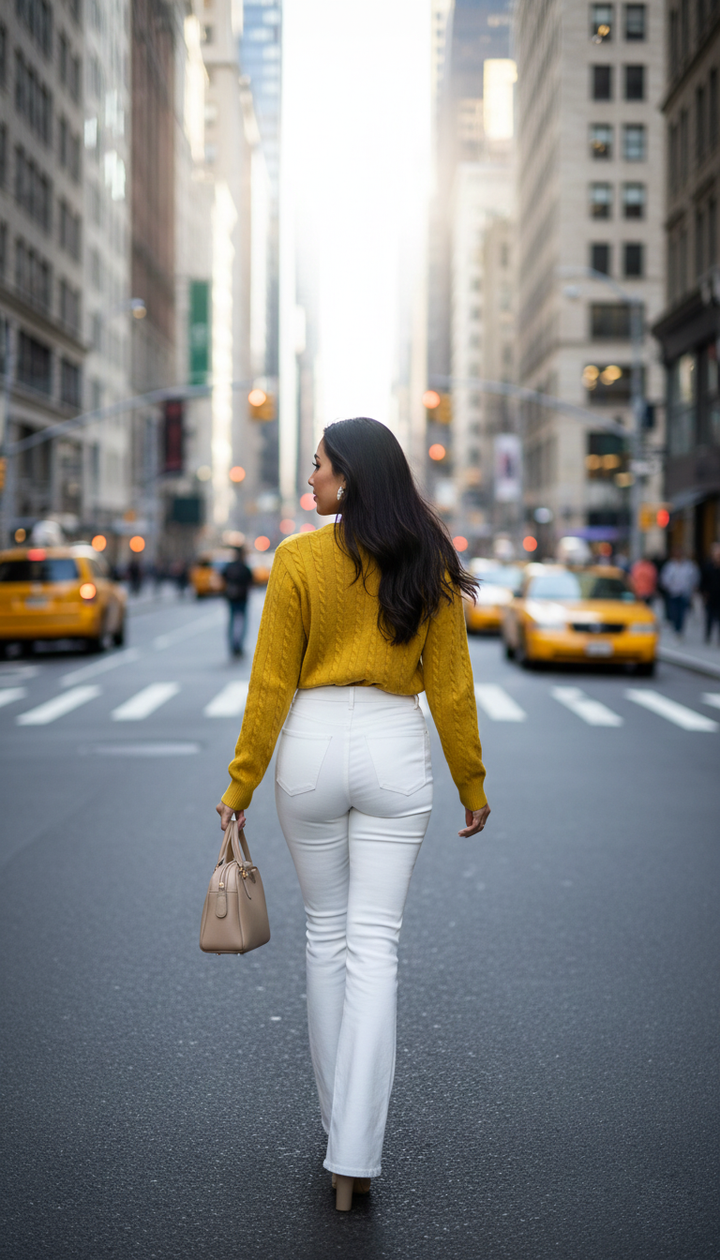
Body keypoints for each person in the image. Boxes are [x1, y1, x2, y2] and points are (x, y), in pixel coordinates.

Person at [215, 418, 490, 1212]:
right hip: (394, 750)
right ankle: (355, 1155)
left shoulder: (298, 560)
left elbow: (270, 684)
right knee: (375, 949)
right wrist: (472, 784)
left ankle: (340, 1135)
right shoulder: (428, 562)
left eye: (320, 469)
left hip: (309, 746)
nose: (311, 483)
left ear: (353, 478)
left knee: (325, 938)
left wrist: (239, 787)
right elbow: (452, 688)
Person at [660, 548, 700, 636]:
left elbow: (694, 577)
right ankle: (675, 627)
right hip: (673, 592)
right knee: (674, 612)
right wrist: (668, 587)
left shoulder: (689, 565)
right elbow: (665, 578)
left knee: (682, 613)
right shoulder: (670, 566)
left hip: (684, 593)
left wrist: (692, 588)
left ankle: (679, 630)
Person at [222, 546, 253, 657]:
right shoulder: (244, 567)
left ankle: (232, 645)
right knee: (242, 622)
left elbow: (223, 576)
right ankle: (239, 645)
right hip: (242, 598)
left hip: (232, 597)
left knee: (232, 622)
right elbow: (251, 580)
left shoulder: (230, 567)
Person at [700, 541, 720, 644]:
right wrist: (704, 593)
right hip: (710, 597)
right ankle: (708, 636)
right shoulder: (708, 566)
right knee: (709, 618)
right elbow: (703, 581)